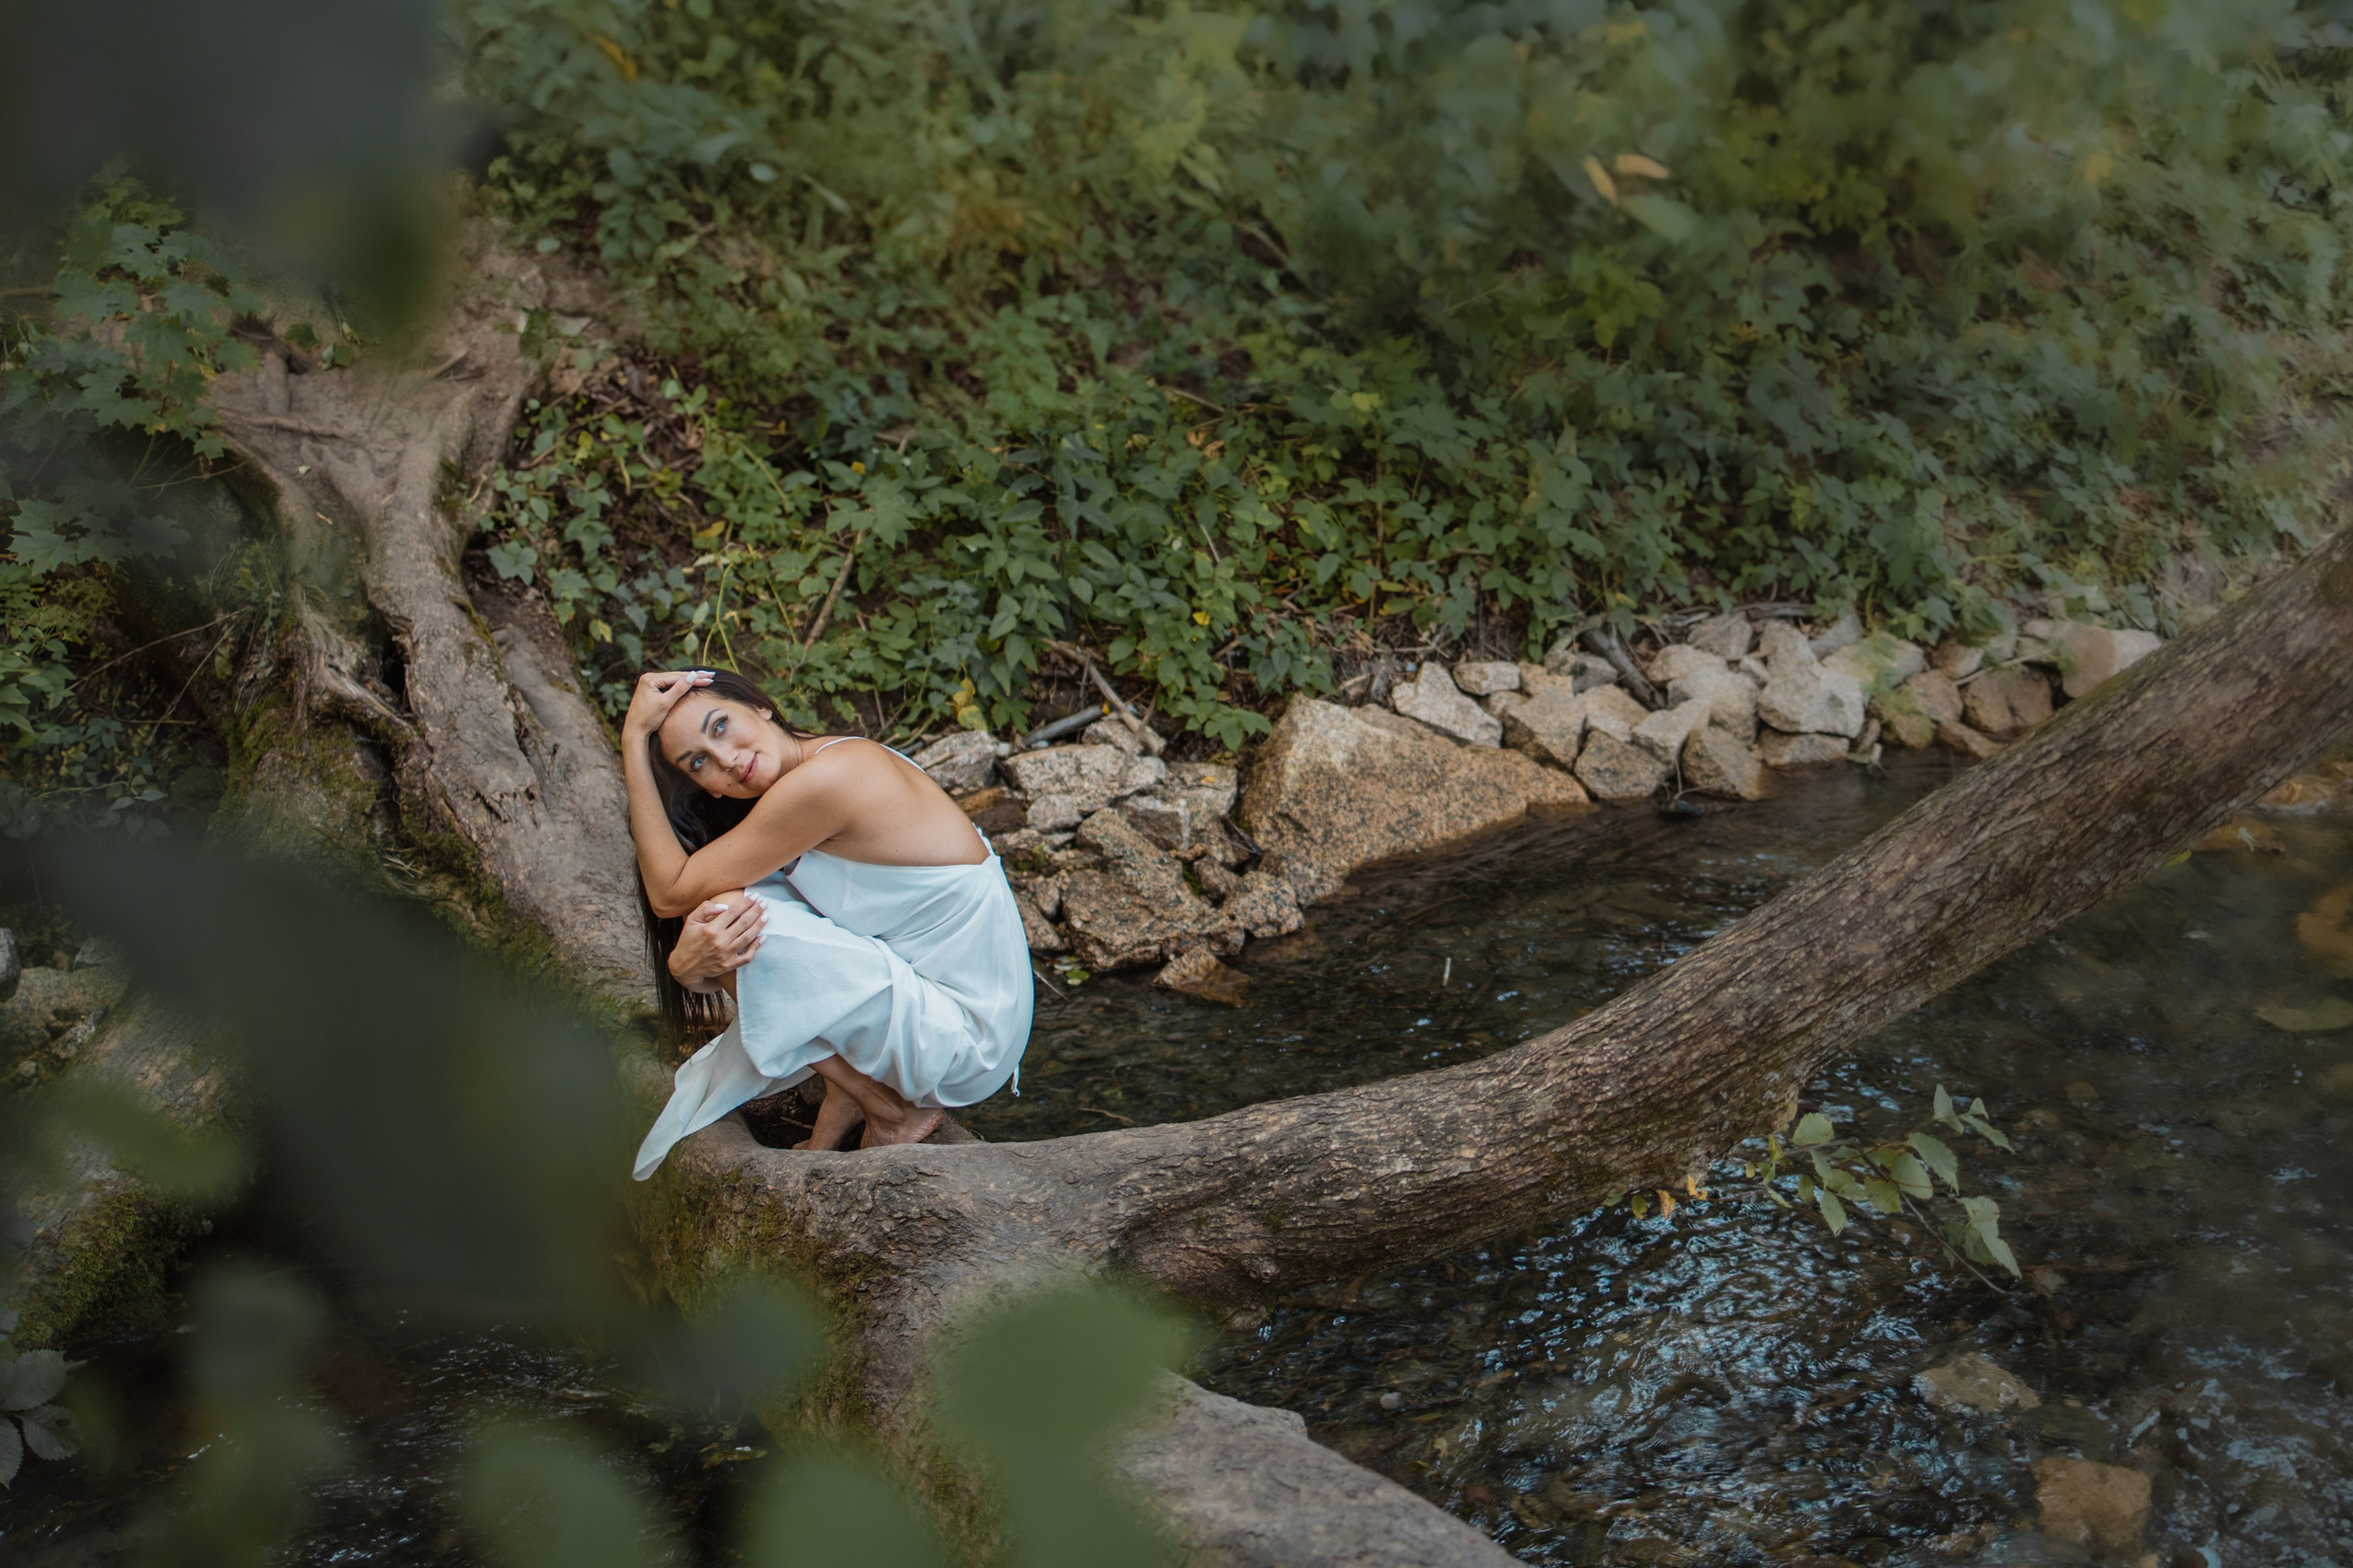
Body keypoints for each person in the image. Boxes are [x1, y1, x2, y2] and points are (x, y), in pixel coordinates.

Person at [621, 668, 1031, 1175]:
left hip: (967, 1041)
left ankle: (890, 1107)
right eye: (699, 762)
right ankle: (847, 1094)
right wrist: (690, 965)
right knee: (730, 909)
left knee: (729, 914)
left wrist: (634, 740)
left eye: (721, 725)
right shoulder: (820, 761)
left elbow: (668, 893)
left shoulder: (828, 780)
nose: (726, 760)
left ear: (761, 705)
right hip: (956, 1015)